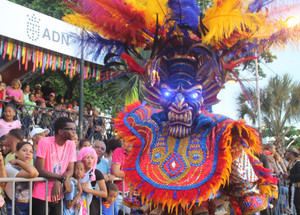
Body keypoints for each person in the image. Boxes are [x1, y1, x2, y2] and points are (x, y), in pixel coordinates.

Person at [32, 117, 77, 215]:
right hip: (41, 194)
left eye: (74, 129)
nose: (74, 132)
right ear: (60, 131)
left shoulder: (71, 144)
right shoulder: (44, 142)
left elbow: (71, 169)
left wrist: (59, 180)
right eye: (71, 129)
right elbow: (40, 169)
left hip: (58, 194)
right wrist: (61, 178)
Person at [4, 142, 38, 215]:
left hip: (29, 205)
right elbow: (33, 173)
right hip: (14, 205)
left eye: (31, 152)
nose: (28, 153)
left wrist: (18, 161)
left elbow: (34, 172)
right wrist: (18, 161)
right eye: (24, 150)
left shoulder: (28, 167)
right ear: (16, 153)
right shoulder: (9, 167)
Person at [77, 147, 107, 215]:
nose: (90, 160)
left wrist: (88, 190)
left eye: (92, 158)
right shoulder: (76, 172)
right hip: (77, 204)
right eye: (87, 157)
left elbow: (104, 193)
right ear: (82, 158)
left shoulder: (97, 173)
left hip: (92, 206)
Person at [111, 139, 131, 214]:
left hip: (129, 195)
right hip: (116, 195)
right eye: (122, 140)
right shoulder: (118, 151)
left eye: (126, 140)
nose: (123, 142)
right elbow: (116, 172)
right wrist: (132, 174)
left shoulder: (136, 154)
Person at [284, 148, 300, 215]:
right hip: (292, 186)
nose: (287, 155)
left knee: (297, 204)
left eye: (289, 153)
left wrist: (289, 177)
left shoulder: (298, 163)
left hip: (298, 187)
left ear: (292, 154)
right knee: (294, 204)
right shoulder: (291, 163)